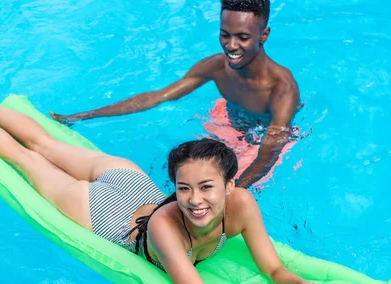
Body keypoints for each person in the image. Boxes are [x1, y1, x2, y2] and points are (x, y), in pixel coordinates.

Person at [0, 91, 347, 284]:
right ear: (175, 187)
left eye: (207, 187)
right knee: (31, 157)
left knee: (49, 147)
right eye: (185, 188)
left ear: (230, 184)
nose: (195, 199)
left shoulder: (241, 204)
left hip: (134, 182)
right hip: (105, 212)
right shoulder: (166, 228)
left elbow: (273, 269)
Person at [50, 0, 300, 189]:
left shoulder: (281, 88)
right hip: (228, 121)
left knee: (222, 189)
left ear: (263, 35)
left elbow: (268, 155)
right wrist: (84, 116)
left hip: (267, 141)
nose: (231, 45)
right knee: (179, 176)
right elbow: (157, 97)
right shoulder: (216, 67)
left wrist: (232, 193)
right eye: (225, 34)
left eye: (243, 37)